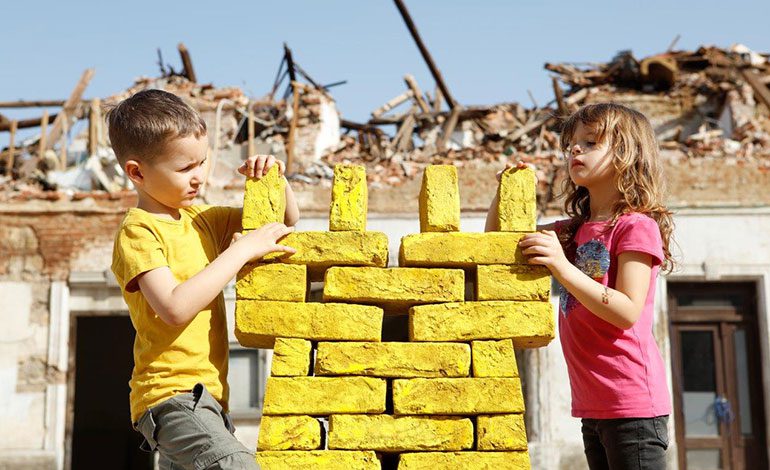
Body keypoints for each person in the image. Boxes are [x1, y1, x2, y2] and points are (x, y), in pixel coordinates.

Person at [108, 89, 299, 469]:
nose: (199, 177)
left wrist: (276, 178)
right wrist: (241, 251)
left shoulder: (202, 219)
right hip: (171, 397)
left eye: (203, 162)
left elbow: (284, 221)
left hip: (211, 400)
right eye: (184, 169)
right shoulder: (138, 231)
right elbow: (174, 307)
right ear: (137, 172)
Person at [487, 103, 674, 469]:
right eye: (571, 143)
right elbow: (497, 242)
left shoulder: (636, 226)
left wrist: (561, 266)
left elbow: (626, 311)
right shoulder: (571, 230)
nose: (575, 150)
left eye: (590, 142)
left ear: (626, 154)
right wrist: (504, 191)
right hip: (593, 406)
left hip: (633, 405)